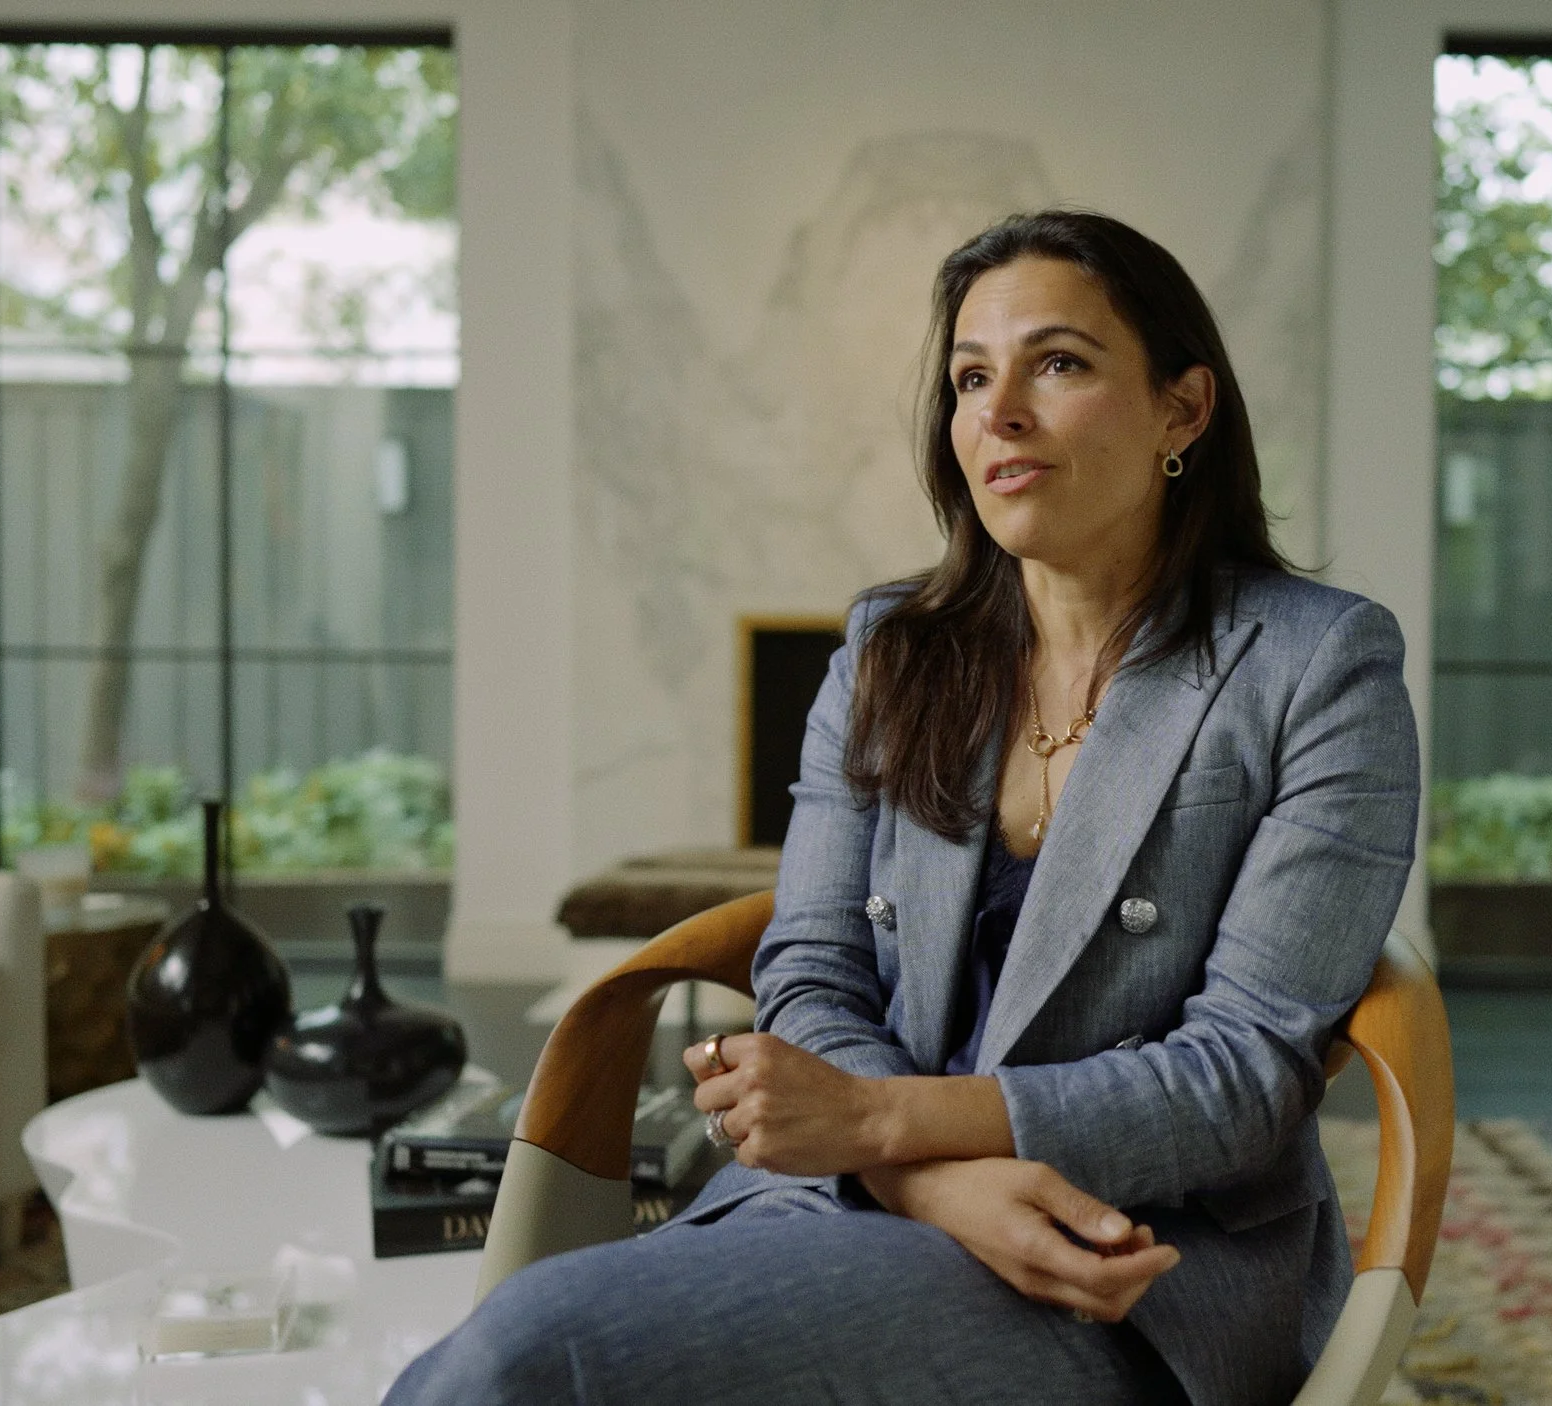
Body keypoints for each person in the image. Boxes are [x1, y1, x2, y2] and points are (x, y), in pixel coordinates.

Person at [386, 209, 1419, 1406]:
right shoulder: (893, 649)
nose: (1000, 413)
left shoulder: (1318, 662)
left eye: (1060, 364)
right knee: (509, 1350)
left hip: (1126, 1266)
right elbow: (812, 964)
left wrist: (877, 1120)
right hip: (849, 1204)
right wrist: (926, 1176)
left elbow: (1240, 1079)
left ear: (1183, 410)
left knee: (532, 1354)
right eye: (971, 377)